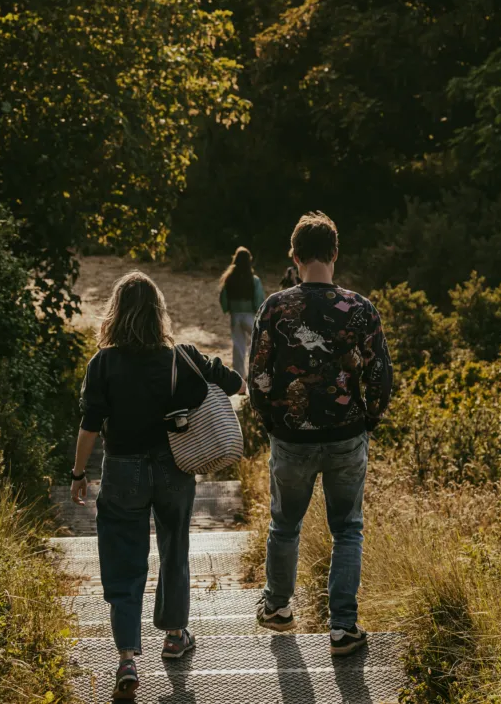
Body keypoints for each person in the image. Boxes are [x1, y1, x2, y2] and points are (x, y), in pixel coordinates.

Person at [71, 271, 245, 699]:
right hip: (173, 469)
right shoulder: (178, 357)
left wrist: (78, 474)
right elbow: (233, 384)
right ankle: (174, 635)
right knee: (174, 549)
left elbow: (90, 424)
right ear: (158, 313)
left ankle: (128, 658)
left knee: (124, 560)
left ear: (115, 313)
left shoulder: (103, 363)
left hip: (123, 471)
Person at [248, 211, 392, 656]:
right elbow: (381, 375)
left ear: (294, 255)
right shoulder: (361, 308)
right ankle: (343, 630)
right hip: (347, 435)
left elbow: (257, 377)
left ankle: (277, 608)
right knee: (347, 529)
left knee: (284, 525)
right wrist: (368, 419)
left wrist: (273, 423)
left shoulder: (274, 307)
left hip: (291, 438)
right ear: (335, 253)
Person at [219, 246, 265, 379]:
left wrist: (228, 309)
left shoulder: (229, 279)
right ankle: (256, 373)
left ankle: (239, 377)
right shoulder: (254, 280)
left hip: (235, 316)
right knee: (257, 343)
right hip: (250, 315)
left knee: (238, 347)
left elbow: (223, 298)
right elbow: (259, 298)